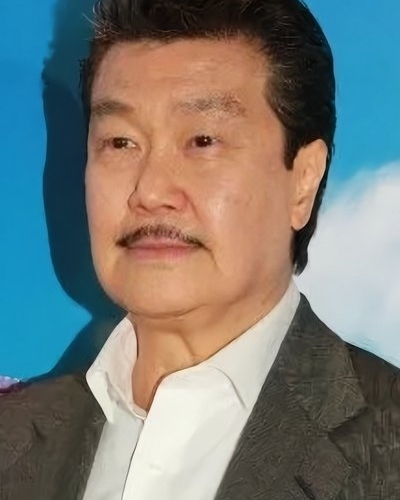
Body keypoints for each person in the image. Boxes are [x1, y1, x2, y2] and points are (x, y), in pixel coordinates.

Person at [1, 0, 399, 498]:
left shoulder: (386, 448)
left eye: (203, 141)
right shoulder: (12, 438)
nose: (150, 191)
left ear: (303, 181)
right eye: (120, 142)